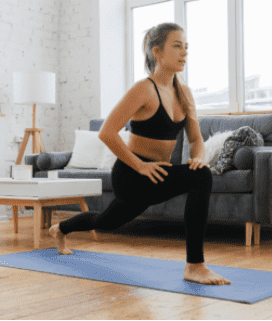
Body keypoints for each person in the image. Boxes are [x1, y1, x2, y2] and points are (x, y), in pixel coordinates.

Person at [49, 22, 231, 286]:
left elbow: (195, 139)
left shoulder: (185, 94)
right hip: (132, 175)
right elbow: (107, 132)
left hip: (156, 175)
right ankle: (195, 265)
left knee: (106, 221)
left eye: (186, 47)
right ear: (157, 52)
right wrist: (140, 166)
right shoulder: (143, 89)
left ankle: (60, 228)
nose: (184, 53)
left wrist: (199, 157)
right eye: (177, 46)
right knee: (108, 221)